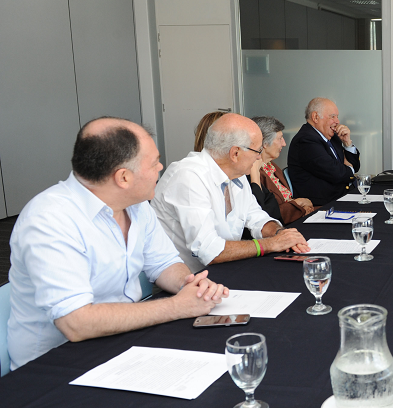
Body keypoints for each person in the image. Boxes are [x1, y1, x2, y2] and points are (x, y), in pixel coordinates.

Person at [7, 117, 228, 370]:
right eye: (154, 162)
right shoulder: (49, 220)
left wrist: (191, 286)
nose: (161, 167)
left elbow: (164, 262)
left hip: (120, 341)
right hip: (55, 366)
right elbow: (77, 323)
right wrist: (177, 306)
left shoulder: (136, 205)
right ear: (123, 178)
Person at [152, 113, 309, 273]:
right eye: (257, 150)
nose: (259, 157)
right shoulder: (188, 176)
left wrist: (280, 233)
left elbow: (257, 218)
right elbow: (209, 251)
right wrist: (271, 244)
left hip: (222, 272)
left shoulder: (237, 175)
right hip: (186, 282)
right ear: (235, 153)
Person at [287, 97, 361, 205]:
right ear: (316, 117)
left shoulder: (333, 137)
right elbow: (337, 173)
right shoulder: (306, 140)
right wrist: (350, 169)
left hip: (342, 195)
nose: (337, 121)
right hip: (324, 205)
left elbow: (355, 166)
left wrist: (347, 143)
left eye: (337, 116)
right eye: (332, 116)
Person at [248, 116, 315, 225]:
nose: (284, 143)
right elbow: (267, 213)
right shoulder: (254, 172)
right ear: (264, 143)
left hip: (294, 218)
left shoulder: (271, 166)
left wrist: (301, 207)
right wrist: (298, 204)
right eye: (280, 138)